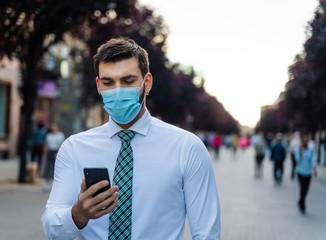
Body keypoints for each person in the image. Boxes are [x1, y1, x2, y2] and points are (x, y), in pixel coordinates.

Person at [42, 37, 220, 240]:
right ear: (99, 86)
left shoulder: (187, 148)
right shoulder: (74, 148)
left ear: (147, 82)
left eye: (128, 81)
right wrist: (78, 214)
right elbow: (51, 228)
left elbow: (206, 233)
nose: (118, 90)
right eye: (109, 82)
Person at [294, 133, 317, 214]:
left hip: (308, 172)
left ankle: (300, 201)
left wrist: (314, 169)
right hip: (300, 171)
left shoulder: (310, 149)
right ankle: (302, 205)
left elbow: (312, 159)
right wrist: (300, 154)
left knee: (306, 190)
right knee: (302, 188)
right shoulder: (298, 149)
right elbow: (297, 160)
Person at [42, 123, 65, 191]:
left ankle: (57, 185)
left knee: (56, 169)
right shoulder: (48, 135)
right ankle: (47, 183)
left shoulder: (60, 135)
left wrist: (58, 153)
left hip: (56, 151)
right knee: (48, 167)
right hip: (50, 151)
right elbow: (46, 145)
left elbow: (60, 145)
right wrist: (45, 155)